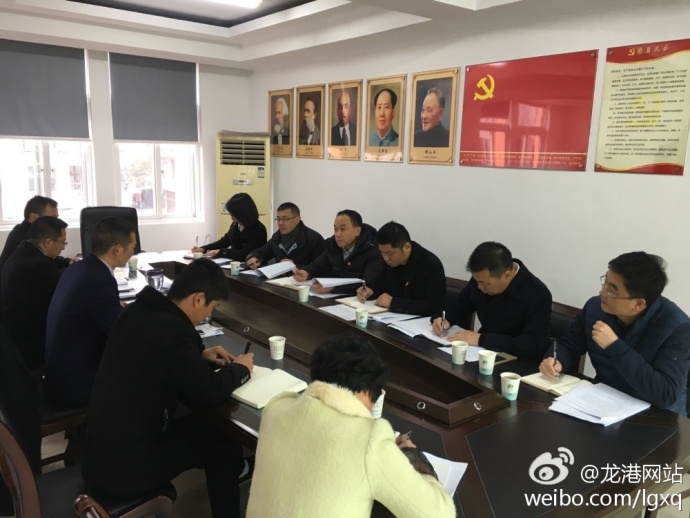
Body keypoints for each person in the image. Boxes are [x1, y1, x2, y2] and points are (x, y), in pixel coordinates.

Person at [83, 259, 254, 518]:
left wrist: (199, 355)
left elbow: (156, 355)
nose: (207, 317)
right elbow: (209, 391)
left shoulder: (138, 310)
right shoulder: (174, 331)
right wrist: (240, 368)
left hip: (100, 452)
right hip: (126, 469)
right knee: (223, 443)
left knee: (206, 431)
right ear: (198, 299)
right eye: (211, 308)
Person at [246, 333, 455, 518]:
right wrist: (412, 456)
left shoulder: (276, 408)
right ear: (365, 390)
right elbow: (439, 513)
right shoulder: (369, 441)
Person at [540, 252, 690, 416]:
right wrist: (556, 360)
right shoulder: (595, 307)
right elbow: (568, 343)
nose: (601, 292)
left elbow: (666, 394)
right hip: (604, 403)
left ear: (638, 304)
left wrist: (614, 346)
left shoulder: (678, 328)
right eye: (605, 282)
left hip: (658, 418)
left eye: (611, 290)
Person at [44, 217, 137, 407]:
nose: (133, 252)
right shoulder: (99, 280)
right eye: (132, 247)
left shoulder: (80, 268)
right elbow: (120, 334)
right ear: (118, 249)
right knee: (147, 368)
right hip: (77, 384)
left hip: (59, 371)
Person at [432, 242, 552, 359]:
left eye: (484, 283)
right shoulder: (481, 280)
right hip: (481, 352)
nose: (479, 287)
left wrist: (481, 339)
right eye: (477, 281)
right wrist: (444, 318)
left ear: (507, 275)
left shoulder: (537, 294)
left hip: (516, 361)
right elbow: (460, 304)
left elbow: (534, 344)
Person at [0, 216, 67, 369]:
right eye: (63, 242)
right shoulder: (38, 266)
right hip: (30, 343)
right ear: (48, 242)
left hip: (13, 336)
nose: (63, 248)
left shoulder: (23, 251)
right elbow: (65, 286)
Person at [357, 221, 445, 316]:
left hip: (418, 321)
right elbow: (380, 283)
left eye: (390, 253)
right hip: (390, 317)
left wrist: (394, 303)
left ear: (407, 247)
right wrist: (370, 290)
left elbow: (434, 306)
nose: (386, 258)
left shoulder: (430, 264)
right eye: (382, 252)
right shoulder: (389, 261)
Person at [293, 210, 383, 295]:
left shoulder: (373, 250)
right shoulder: (333, 246)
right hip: (333, 297)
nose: (337, 234)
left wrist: (334, 287)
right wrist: (307, 272)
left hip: (357, 301)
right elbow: (318, 265)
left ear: (357, 231)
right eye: (336, 229)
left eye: (342, 229)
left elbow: (369, 284)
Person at [0, 195, 71, 272]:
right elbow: (46, 265)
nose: (56, 222)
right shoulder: (24, 237)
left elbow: (48, 257)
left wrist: (68, 262)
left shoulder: (24, 230)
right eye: (51, 218)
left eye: (56, 217)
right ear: (33, 217)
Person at [245, 202, 325, 270]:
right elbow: (262, 251)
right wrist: (253, 257)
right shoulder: (277, 238)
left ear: (297, 219)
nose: (280, 223)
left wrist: (295, 266)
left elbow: (322, 268)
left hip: (304, 282)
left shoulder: (313, 239)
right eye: (278, 219)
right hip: (281, 280)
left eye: (285, 219)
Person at [191, 192, 267, 261]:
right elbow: (224, 241)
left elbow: (243, 254)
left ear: (243, 214)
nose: (231, 218)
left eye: (233, 215)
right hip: (233, 264)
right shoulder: (236, 224)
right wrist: (203, 249)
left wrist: (220, 252)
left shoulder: (259, 230)